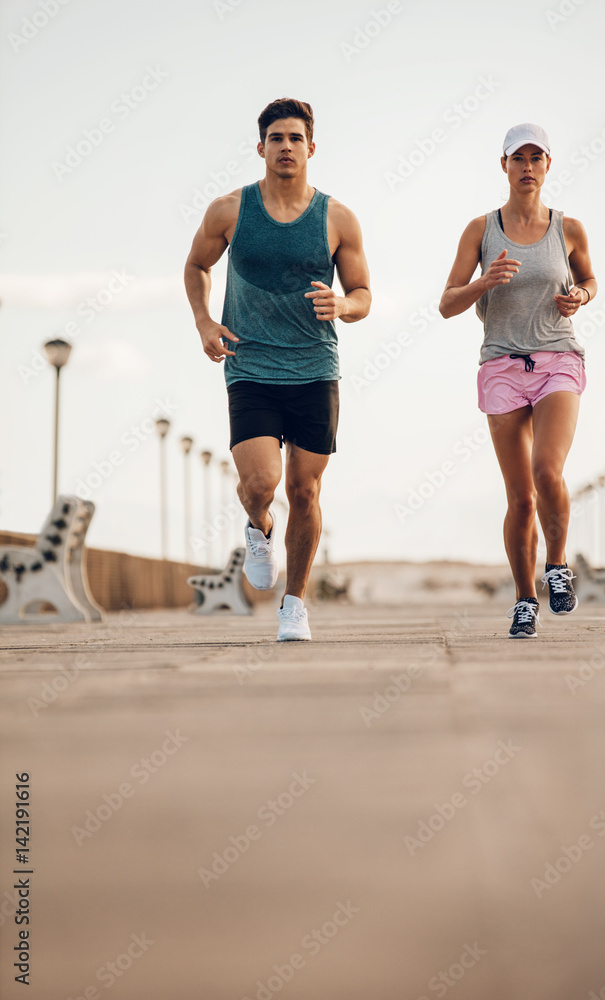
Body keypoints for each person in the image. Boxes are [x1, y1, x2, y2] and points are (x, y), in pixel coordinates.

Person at [184, 98, 371, 641]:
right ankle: (258, 526)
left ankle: (295, 604)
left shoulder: (337, 217)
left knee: (306, 492)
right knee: (261, 482)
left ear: (311, 147)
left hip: (315, 365)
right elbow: (197, 264)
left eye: (295, 138)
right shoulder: (229, 210)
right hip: (251, 363)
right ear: (261, 147)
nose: (286, 147)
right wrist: (204, 323)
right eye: (276, 138)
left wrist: (344, 305)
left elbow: (362, 294)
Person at [439, 123, 596, 638]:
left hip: (558, 359)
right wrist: (484, 280)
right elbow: (447, 304)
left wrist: (582, 297)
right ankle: (524, 599)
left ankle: (556, 565)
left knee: (547, 469)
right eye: (517, 158)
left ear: (548, 165)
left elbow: (590, 279)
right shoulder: (480, 230)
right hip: (502, 364)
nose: (527, 166)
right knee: (521, 497)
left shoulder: (567, 228)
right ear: (503, 166)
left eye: (536, 157)